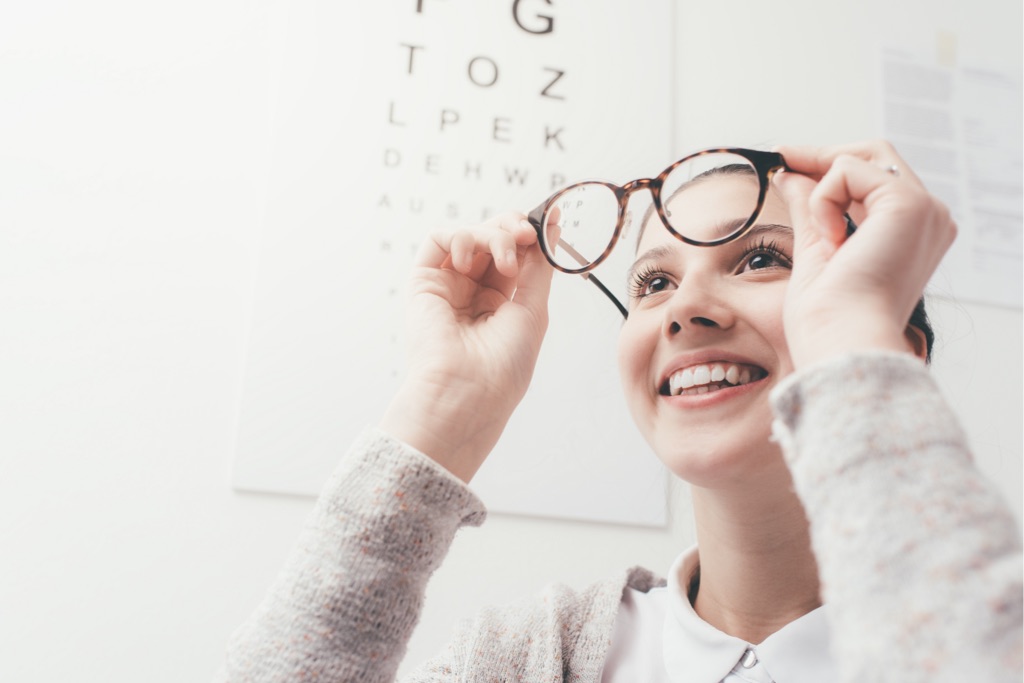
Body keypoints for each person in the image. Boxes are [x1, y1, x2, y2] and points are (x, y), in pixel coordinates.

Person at [215, 141, 1022, 682]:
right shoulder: (531, 655)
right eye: (653, 284)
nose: (685, 309)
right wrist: (445, 408)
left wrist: (853, 344)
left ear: (894, 350)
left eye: (764, 258)